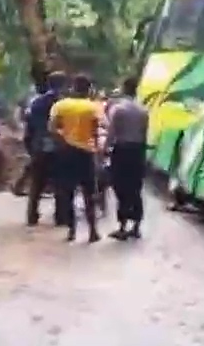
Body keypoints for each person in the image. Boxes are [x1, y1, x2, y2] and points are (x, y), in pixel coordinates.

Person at [49, 74, 103, 243]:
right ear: (89, 89)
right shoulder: (93, 107)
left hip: (66, 152)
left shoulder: (60, 106)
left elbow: (51, 128)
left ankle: (71, 231)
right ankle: (93, 231)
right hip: (86, 153)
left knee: (67, 192)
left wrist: (63, 140)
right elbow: (95, 132)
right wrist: (97, 153)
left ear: (73, 87)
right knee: (89, 194)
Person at [106, 76, 150, 240]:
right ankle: (136, 226)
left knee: (121, 187)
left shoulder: (118, 109)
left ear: (124, 89)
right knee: (136, 188)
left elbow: (112, 133)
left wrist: (105, 149)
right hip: (137, 151)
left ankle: (122, 226)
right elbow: (145, 134)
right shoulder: (143, 111)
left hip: (122, 150)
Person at [23, 72, 66, 226]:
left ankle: (32, 216)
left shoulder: (36, 103)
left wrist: (29, 145)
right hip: (59, 147)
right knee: (61, 183)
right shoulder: (64, 103)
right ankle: (61, 217)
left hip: (39, 146)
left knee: (37, 184)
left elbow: (29, 127)